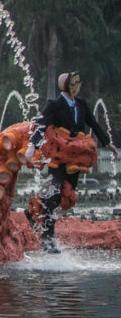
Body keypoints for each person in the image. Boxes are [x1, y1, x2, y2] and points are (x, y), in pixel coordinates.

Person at [25, 71, 118, 251]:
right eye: (73, 82)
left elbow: (94, 124)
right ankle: (48, 239)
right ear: (65, 85)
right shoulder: (55, 105)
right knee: (55, 194)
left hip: (76, 159)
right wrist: (32, 146)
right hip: (59, 159)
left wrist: (107, 143)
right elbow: (41, 125)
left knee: (67, 195)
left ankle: (32, 212)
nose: (77, 85)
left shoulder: (81, 104)